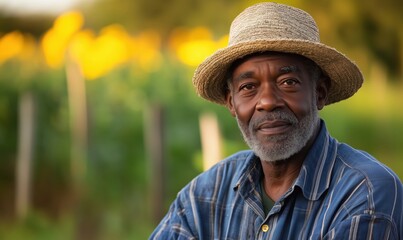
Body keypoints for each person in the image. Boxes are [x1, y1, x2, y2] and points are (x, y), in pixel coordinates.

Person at [150, 2, 403, 239]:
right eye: (249, 87)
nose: (268, 101)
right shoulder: (206, 194)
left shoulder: (366, 193)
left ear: (319, 93)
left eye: (288, 82)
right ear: (231, 103)